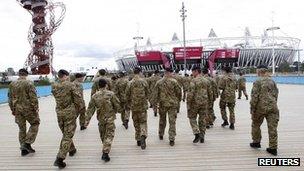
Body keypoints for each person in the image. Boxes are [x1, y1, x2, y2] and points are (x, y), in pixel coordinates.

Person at [52, 69, 84, 169]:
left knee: (65, 133)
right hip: (69, 113)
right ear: (66, 76)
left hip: (59, 112)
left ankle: (72, 149)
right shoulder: (70, 85)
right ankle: (60, 158)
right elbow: (78, 99)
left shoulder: (54, 85)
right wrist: (81, 109)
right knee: (68, 135)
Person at [86, 79, 120, 162]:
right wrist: (119, 110)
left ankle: (105, 147)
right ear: (106, 85)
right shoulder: (111, 94)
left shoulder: (94, 96)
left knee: (103, 135)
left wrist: (86, 121)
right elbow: (117, 105)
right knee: (109, 135)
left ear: (98, 86)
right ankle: (105, 153)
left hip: (101, 119)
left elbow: (90, 109)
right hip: (110, 118)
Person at [8, 68, 40, 156]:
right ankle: (27, 143)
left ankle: (23, 150)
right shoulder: (29, 83)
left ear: (19, 74)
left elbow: (10, 98)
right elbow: (33, 97)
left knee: (22, 129)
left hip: (17, 109)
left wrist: (12, 109)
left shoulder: (12, 84)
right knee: (35, 123)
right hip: (28, 109)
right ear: (26, 75)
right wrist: (36, 108)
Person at [250, 65, 279, 156]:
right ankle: (273, 148)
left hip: (260, 108)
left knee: (256, 124)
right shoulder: (272, 81)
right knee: (272, 127)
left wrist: (252, 109)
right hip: (273, 107)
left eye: (256, 71)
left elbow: (254, 97)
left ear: (259, 71)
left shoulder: (257, 81)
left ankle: (256, 142)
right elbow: (275, 94)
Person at [152, 68, 182, 146]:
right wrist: (177, 101)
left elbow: (155, 94)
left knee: (162, 120)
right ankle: (171, 138)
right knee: (172, 121)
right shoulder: (174, 82)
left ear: (165, 73)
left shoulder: (159, 82)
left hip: (162, 104)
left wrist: (154, 104)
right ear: (170, 72)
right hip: (172, 104)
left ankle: (161, 134)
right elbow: (179, 93)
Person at [125, 67, 149, 150]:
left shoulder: (130, 83)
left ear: (134, 73)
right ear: (140, 72)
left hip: (134, 106)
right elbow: (148, 93)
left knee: (136, 123)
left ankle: (138, 140)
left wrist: (128, 104)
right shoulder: (144, 82)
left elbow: (127, 95)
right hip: (142, 106)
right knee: (143, 122)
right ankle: (143, 135)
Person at [187, 66, 212, 143]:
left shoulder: (193, 81)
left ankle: (196, 132)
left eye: (193, 72)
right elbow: (210, 92)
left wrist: (188, 103)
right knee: (202, 119)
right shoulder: (206, 81)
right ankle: (202, 137)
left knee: (192, 117)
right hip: (204, 103)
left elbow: (190, 94)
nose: (192, 73)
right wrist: (210, 102)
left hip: (195, 103)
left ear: (196, 71)